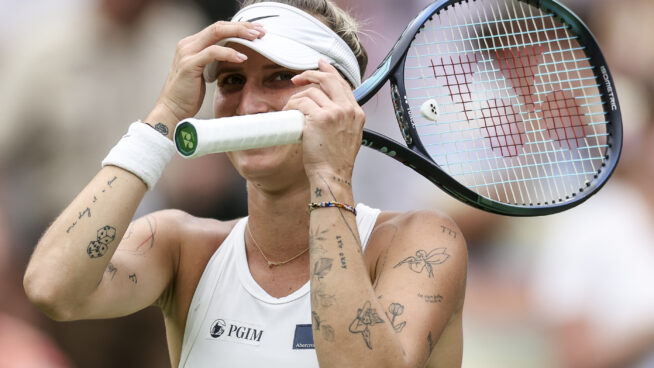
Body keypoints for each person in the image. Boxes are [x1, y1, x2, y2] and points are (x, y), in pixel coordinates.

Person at [23, 1, 468, 367]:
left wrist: (329, 176)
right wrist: (162, 116)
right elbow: (51, 288)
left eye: (279, 77)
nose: (250, 105)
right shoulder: (185, 247)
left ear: (339, 104)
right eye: (233, 81)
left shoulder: (420, 241)